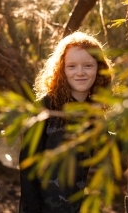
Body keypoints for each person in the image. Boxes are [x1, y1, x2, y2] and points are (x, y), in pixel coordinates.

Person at [19, 31, 112, 213]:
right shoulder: (45, 109)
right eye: (72, 66)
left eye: (88, 65)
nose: (80, 73)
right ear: (61, 69)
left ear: (99, 68)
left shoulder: (96, 111)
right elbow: (28, 166)